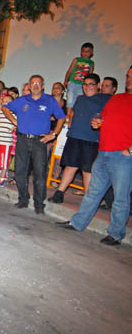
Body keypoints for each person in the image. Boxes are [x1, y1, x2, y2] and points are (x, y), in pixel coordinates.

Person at [56, 66, 132, 245]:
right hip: (104, 152)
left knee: (121, 198)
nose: (129, 79)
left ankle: (115, 234)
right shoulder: (117, 98)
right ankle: (77, 223)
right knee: (93, 193)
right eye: (128, 76)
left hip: (124, 157)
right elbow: (103, 118)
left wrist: (130, 151)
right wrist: (98, 122)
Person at [2, 75, 66, 213]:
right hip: (23, 140)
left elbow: (61, 117)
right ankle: (23, 199)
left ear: (42, 86)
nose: (35, 85)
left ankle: (39, 204)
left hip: (39, 142)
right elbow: (5, 108)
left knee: (40, 174)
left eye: (38, 83)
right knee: (20, 172)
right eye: (33, 83)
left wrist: (53, 134)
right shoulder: (22, 100)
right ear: (29, 86)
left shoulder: (49, 100)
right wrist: (14, 121)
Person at [49, 73, 111, 201]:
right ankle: (59, 193)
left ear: (98, 86)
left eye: (91, 84)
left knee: (87, 170)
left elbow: (111, 118)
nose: (87, 87)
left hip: (91, 140)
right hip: (74, 137)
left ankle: (88, 202)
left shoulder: (105, 100)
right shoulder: (80, 99)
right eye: (85, 84)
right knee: (70, 166)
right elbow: (73, 113)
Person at [63, 42, 95, 119]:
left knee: (79, 100)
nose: (85, 53)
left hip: (82, 85)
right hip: (73, 82)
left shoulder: (91, 63)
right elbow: (69, 71)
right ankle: (68, 115)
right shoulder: (76, 60)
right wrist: (65, 81)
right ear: (81, 52)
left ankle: (75, 116)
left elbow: (90, 75)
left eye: (88, 51)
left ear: (91, 53)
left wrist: (88, 86)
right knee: (70, 98)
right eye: (83, 51)